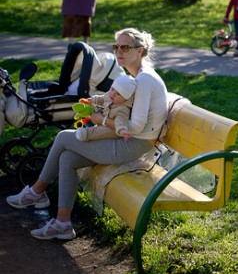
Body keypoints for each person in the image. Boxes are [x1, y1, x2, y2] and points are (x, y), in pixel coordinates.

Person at [6, 28, 168, 240]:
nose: (119, 51)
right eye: (116, 47)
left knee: (64, 137)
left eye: (125, 47)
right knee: (67, 157)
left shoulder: (144, 79)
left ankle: (36, 192)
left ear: (140, 51)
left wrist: (101, 120)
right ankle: (63, 223)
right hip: (130, 139)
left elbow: (135, 127)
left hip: (134, 144)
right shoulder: (137, 75)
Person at [75, 75, 137, 141]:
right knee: (92, 108)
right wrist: (92, 100)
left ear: (126, 98)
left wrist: (122, 130)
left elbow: (121, 122)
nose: (113, 94)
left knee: (105, 131)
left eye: (118, 94)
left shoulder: (123, 109)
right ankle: (87, 122)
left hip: (111, 128)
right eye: (112, 89)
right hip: (103, 117)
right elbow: (102, 99)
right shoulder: (109, 96)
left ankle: (87, 134)